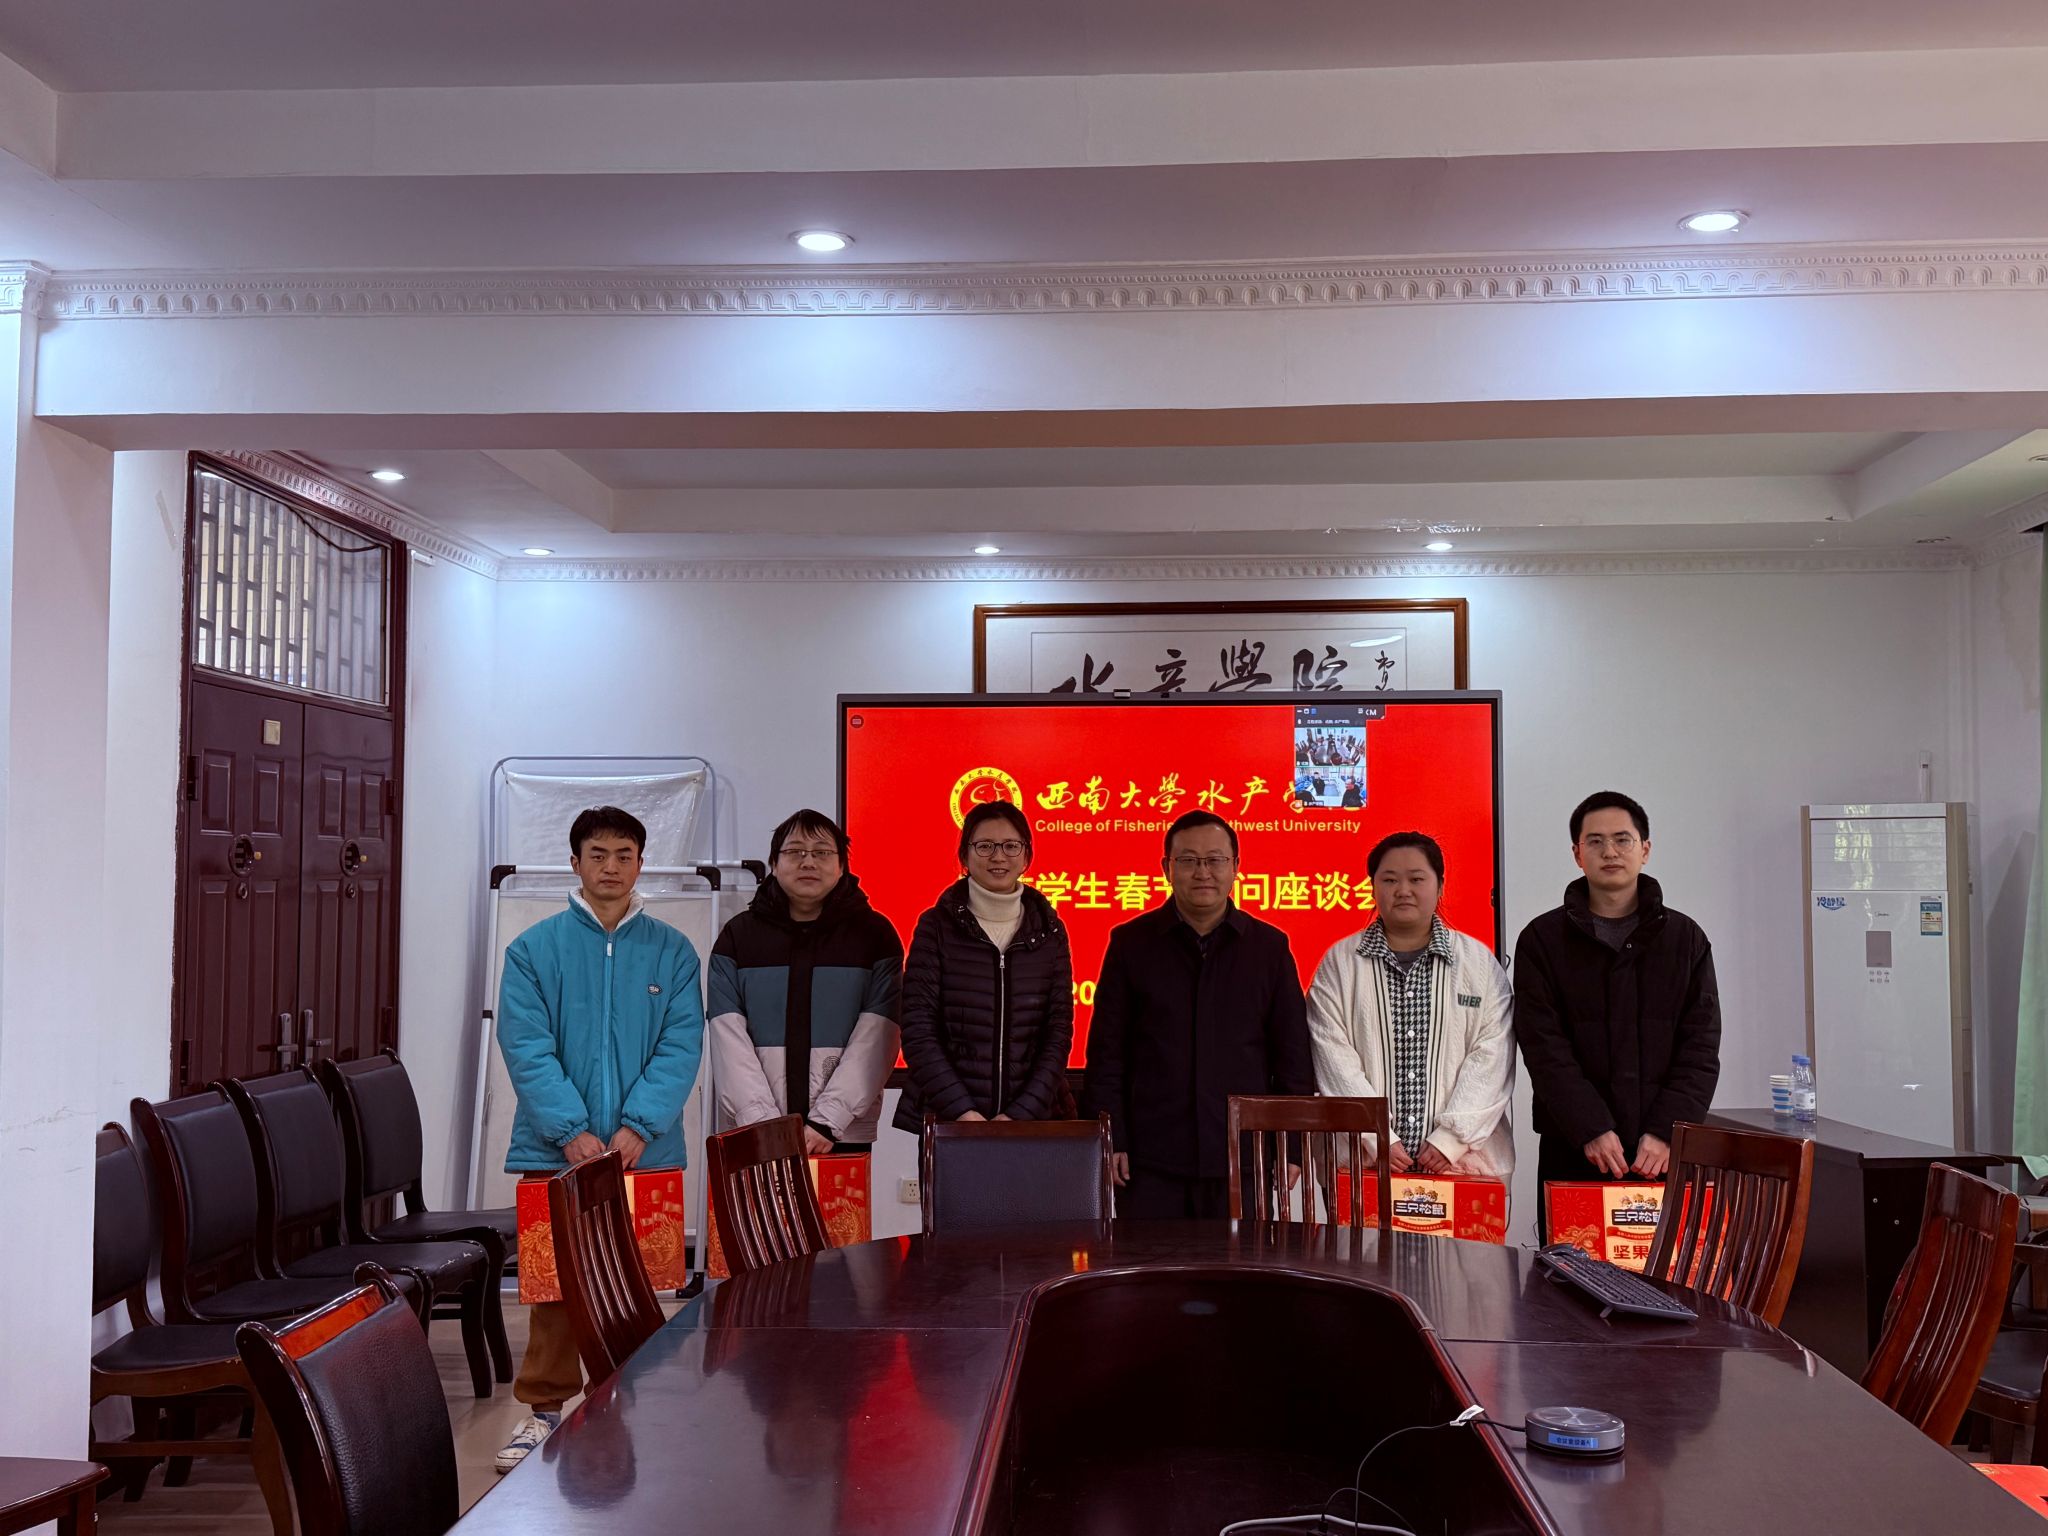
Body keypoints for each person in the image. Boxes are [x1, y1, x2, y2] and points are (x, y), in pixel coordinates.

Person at [494, 806, 705, 1472]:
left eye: (624, 854)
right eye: (597, 854)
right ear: (575, 862)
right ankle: (543, 1411)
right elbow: (526, 1046)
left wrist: (640, 1125)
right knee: (554, 1287)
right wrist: (570, 1132)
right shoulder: (534, 950)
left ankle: (626, 1404)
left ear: (641, 863)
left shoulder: (672, 951)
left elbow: (681, 1045)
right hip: (554, 1151)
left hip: (644, 1150)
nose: (611, 866)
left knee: (636, 1285)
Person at [1083, 809, 1314, 1218]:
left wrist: (1292, 1144)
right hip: (1150, 1159)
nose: (1202, 872)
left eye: (1215, 860)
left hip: (1244, 1156)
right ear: (1166, 868)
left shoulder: (1269, 948)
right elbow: (1106, 1053)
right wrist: (1111, 1136)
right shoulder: (1131, 944)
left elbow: (1292, 1057)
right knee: (1148, 1261)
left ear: (1236, 866)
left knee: (1242, 1261)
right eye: (1188, 860)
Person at [1514, 791, 1721, 1227]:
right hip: (1574, 1147)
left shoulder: (1686, 940)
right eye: (1595, 841)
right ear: (1577, 854)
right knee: (1568, 1266)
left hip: (1660, 1154)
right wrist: (1590, 1126)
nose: (1609, 851)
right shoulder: (1542, 940)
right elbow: (1542, 1046)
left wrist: (1667, 1130)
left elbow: (1701, 1047)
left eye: (1622, 839)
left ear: (1645, 849)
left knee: (1666, 1267)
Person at [1306, 832, 1515, 1190]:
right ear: (1373, 887)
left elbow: (1493, 1056)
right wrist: (1377, 1137)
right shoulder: (1339, 963)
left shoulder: (1478, 963)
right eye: (1389, 880)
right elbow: (1331, 1057)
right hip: (1363, 1165)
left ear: (1440, 885)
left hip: (1462, 1166)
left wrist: (1450, 1140)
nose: (1403, 890)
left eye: (1417, 879)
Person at [708, 808, 902, 1153]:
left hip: (840, 1133)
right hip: (756, 1134)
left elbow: (878, 1037)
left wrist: (829, 1120)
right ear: (774, 863)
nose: (808, 862)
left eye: (822, 852)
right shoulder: (738, 937)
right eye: (795, 852)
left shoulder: (875, 936)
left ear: (841, 865)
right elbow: (727, 1037)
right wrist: (763, 1123)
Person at [894, 800, 1075, 1133]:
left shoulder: (1049, 930)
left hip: (1032, 1123)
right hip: (951, 1122)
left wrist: (1020, 1114)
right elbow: (918, 1029)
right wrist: (963, 1113)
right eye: (985, 846)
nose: (998, 856)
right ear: (964, 855)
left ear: (1026, 856)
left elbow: (1058, 1032)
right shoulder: (936, 926)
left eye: (1010, 846)